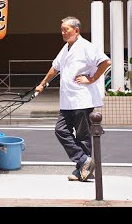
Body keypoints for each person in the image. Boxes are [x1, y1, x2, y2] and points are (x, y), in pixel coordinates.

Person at [35, 16, 111, 182]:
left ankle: (82, 169)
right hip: (68, 100)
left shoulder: (86, 46)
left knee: (83, 136)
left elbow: (106, 62)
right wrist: (42, 84)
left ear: (76, 30)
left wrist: (92, 78)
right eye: (61, 29)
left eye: (66, 29)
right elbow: (55, 68)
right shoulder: (66, 48)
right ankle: (84, 161)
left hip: (82, 98)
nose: (62, 32)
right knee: (60, 130)